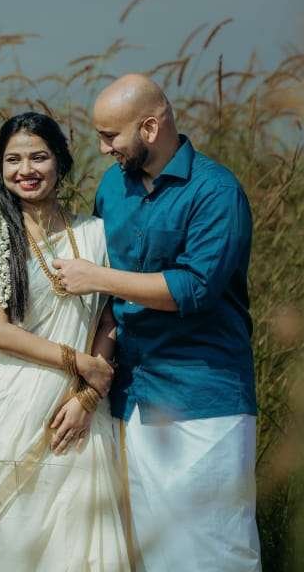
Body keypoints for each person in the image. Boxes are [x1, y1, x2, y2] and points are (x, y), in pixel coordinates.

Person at [52, 74, 262, 571]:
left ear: (149, 127)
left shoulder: (215, 191)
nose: (103, 149)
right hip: (132, 397)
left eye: (110, 136)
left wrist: (97, 277)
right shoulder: (112, 187)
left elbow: (195, 288)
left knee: (215, 548)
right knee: (149, 549)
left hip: (202, 395)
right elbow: (107, 302)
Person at [0, 112, 131, 571]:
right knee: (17, 538)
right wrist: (82, 363)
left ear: (60, 161)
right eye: (13, 160)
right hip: (11, 408)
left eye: (38, 157)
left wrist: (87, 395)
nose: (26, 170)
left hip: (80, 408)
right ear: (0, 166)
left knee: (82, 540)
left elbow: (111, 314)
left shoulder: (94, 233)